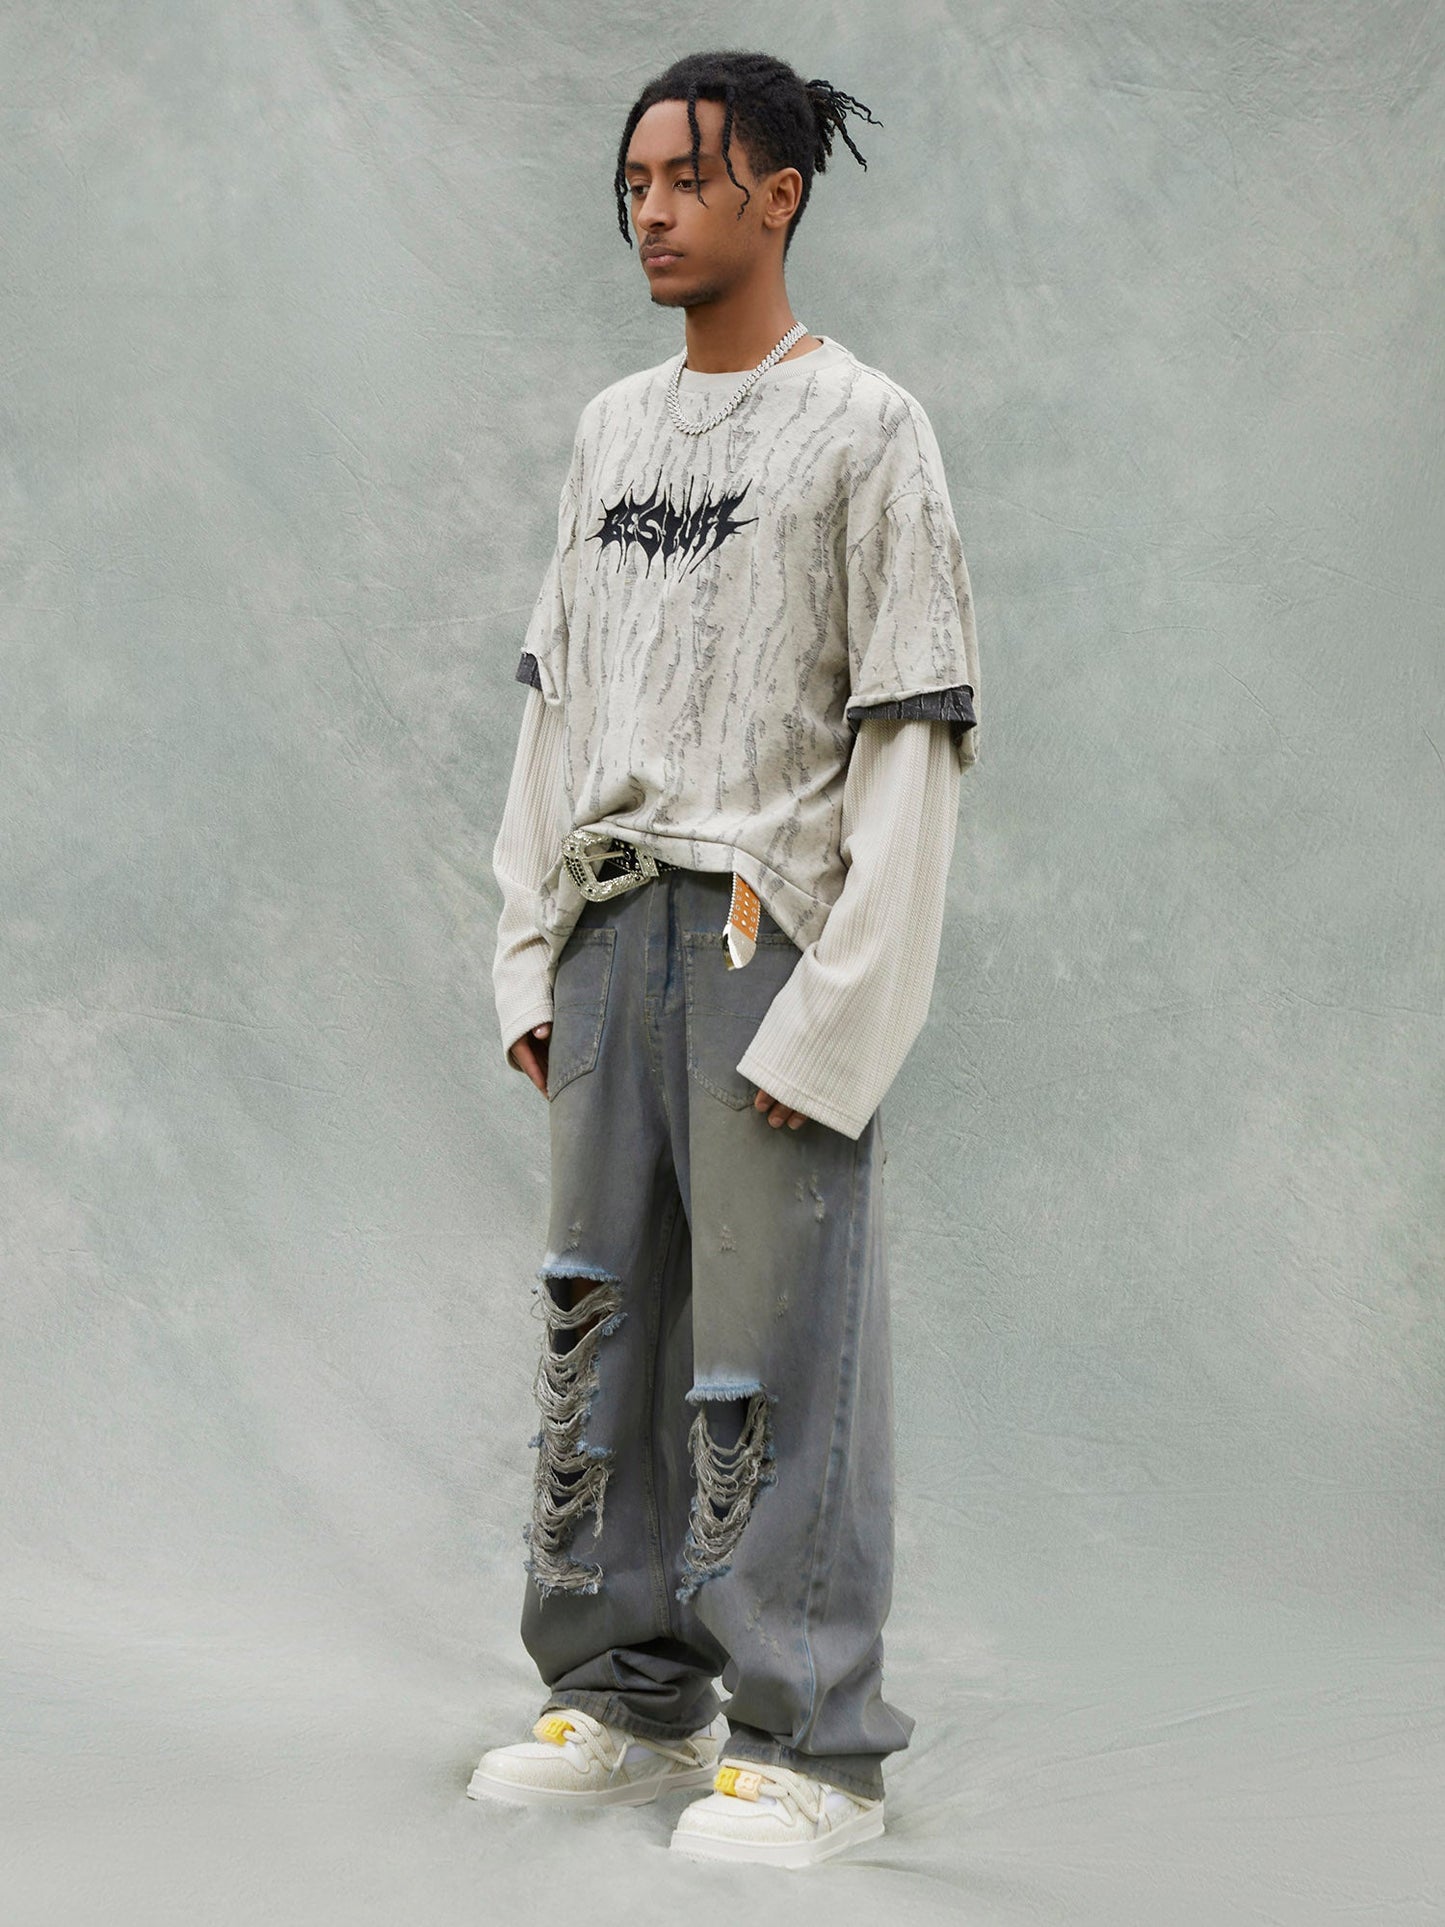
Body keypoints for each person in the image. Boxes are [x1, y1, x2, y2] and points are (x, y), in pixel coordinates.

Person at [468, 48, 980, 1871]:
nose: (652, 212)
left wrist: (841, 1019)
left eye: (687, 178)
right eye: (632, 184)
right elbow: (556, 705)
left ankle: (812, 1741)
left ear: (778, 191)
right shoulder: (611, 430)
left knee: (774, 1344)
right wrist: (528, 955)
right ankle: (623, 1698)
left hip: (770, 937)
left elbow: (909, 735)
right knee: (594, 1323)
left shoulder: (866, 429)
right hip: (609, 930)